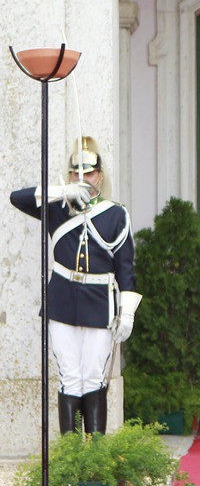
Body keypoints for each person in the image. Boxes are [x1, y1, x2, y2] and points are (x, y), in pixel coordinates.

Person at [10, 137, 141, 435]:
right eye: (75, 173)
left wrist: (127, 311)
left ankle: (94, 460)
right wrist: (62, 192)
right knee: (69, 377)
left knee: (94, 378)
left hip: (99, 302)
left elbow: (125, 267)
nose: (82, 178)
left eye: (89, 172)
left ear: (101, 175)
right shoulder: (58, 208)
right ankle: (71, 457)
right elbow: (17, 198)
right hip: (63, 300)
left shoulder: (115, 214)